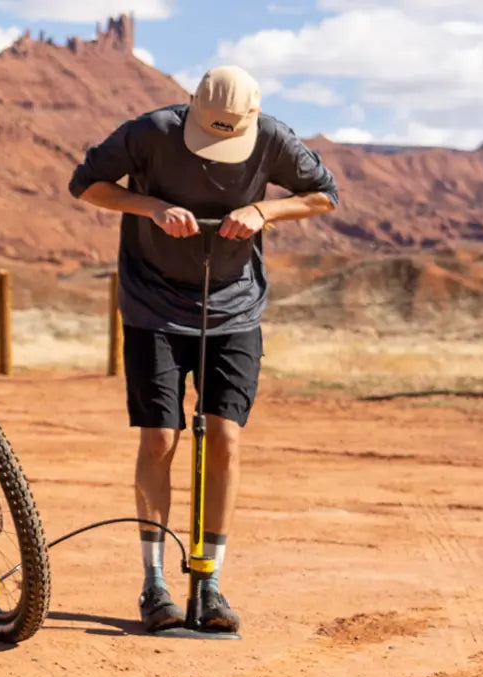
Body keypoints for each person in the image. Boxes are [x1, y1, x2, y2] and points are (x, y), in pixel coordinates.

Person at [66, 66, 339, 634]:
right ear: (189, 107)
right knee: (161, 438)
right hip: (152, 308)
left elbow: (323, 198)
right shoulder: (150, 132)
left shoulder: (274, 140)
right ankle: (155, 584)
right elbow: (86, 185)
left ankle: (210, 580)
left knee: (225, 437)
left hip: (235, 307)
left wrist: (264, 210)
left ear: (254, 119)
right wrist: (150, 207)